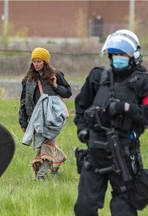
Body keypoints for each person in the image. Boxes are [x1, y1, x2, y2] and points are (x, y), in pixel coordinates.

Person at [74, 29, 148, 215]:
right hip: (95, 154)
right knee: (84, 208)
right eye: (114, 54)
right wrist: (82, 130)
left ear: (133, 55)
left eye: (122, 54)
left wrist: (125, 108)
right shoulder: (98, 77)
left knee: (122, 209)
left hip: (123, 154)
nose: (117, 58)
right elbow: (81, 106)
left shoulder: (143, 82)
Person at [19, 47, 72, 180]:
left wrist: (55, 86)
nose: (36, 64)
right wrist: (23, 121)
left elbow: (68, 93)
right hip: (35, 118)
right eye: (34, 61)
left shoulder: (56, 75)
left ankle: (41, 176)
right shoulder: (28, 79)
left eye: (39, 61)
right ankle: (57, 159)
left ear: (45, 62)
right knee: (41, 144)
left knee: (46, 144)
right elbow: (23, 101)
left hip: (51, 118)